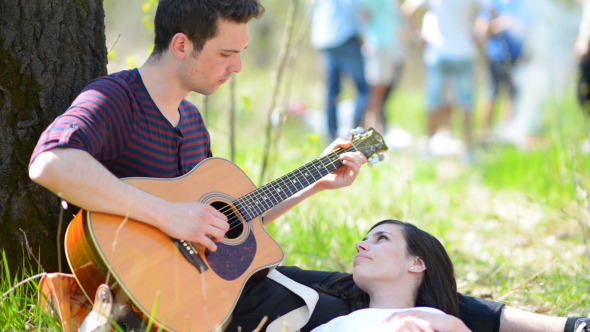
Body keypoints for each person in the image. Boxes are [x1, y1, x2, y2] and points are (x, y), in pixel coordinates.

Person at [28, 0, 588, 331]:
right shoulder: (115, 98)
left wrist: (314, 182)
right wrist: (167, 216)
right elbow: (51, 164)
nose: (238, 67)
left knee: (384, 284)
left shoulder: (191, 125)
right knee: (367, 300)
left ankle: (563, 327)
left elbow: (225, 226)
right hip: (163, 300)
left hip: (220, 286)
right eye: (227, 53)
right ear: (181, 45)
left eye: (243, 53)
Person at [310, 219, 471, 332]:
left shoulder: (436, 321)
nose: (359, 245)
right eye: (364, 240)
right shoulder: (333, 326)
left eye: (381, 238)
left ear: (417, 263)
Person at [402, 0, 487, 161]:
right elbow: (491, 10)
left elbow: (408, 9)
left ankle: (428, 147)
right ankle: (468, 150)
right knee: (466, 103)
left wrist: (419, 34)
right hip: (464, 50)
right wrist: (480, 33)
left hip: (438, 51)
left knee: (433, 101)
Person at [311, 0, 370, 140]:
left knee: (331, 91)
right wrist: (362, 33)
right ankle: (356, 135)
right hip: (345, 37)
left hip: (324, 39)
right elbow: (353, 7)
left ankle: (331, 136)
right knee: (363, 87)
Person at [476, 0, 529, 143]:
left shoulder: (522, 4)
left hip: (517, 57)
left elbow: (529, 26)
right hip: (496, 56)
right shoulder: (493, 4)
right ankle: (484, 135)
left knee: (512, 96)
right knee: (491, 95)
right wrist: (496, 25)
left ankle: (505, 134)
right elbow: (480, 29)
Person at [358, 0, 408, 134]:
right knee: (376, 90)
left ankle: (374, 127)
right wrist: (365, 38)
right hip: (378, 46)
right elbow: (364, 13)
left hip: (389, 48)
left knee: (382, 90)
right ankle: (369, 128)